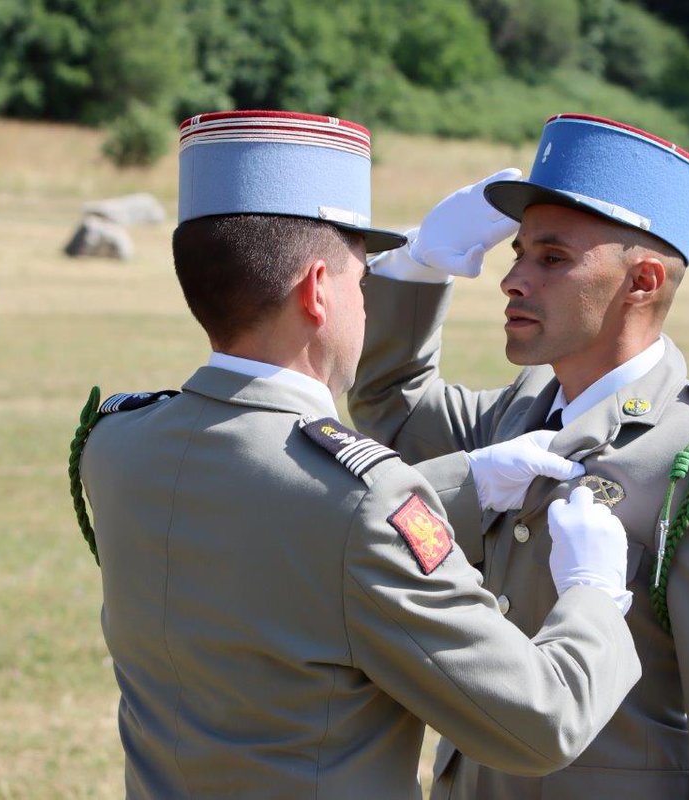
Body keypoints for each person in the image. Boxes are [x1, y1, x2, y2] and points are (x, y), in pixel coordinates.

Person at [73, 110, 642, 799]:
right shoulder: (366, 502)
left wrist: (462, 482)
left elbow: (267, 529)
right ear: (317, 291)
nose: (366, 307)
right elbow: (539, 722)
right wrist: (593, 592)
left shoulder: (117, 442)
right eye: (360, 280)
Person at [352, 113, 689, 799]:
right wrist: (419, 265)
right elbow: (389, 406)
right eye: (517, 253)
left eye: (551, 258)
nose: (513, 279)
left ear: (642, 281)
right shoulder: (520, 412)